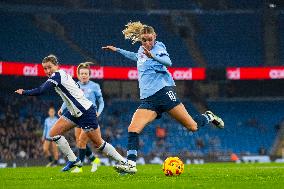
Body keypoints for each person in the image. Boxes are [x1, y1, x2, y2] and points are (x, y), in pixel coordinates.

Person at [102, 21, 224, 174]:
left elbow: (169, 62)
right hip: (148, 100)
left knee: (192, 127)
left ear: (155, 37)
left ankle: (208, 116)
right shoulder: (141, 50)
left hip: (164, 94)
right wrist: (117, 50)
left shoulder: (159, 47)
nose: (147, 42)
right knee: (133, 128)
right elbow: (136, 57)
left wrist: (152, 55)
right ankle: (131, 165)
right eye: (144, 40)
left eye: (149, 39)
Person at [15, 54, 126, 172]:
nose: (47, 70)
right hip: (74, 113)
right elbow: (72, 90)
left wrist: (24, 92)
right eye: (45, 68)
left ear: (56, 66)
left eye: (49, 67)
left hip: (85, 112)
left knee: (98, 143)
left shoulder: (57, 76)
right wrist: (64, 107)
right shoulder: (61, 74)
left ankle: (124, 162)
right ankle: (74, 160)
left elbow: (40, 90)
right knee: (53, 133)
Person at [58, 62, 104, 173]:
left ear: (89, 75)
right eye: (82, 73)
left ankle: (80, 167)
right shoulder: (75, 85)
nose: (84, 75)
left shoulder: (94, 86)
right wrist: (61, 108)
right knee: (79, 142)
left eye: (86, 73)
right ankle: (94, 160)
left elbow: (101, 102)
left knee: (83, 141)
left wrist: (99, 111)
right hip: (78, 116)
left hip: (89, 117)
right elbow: (69, 99)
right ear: (78, 75)